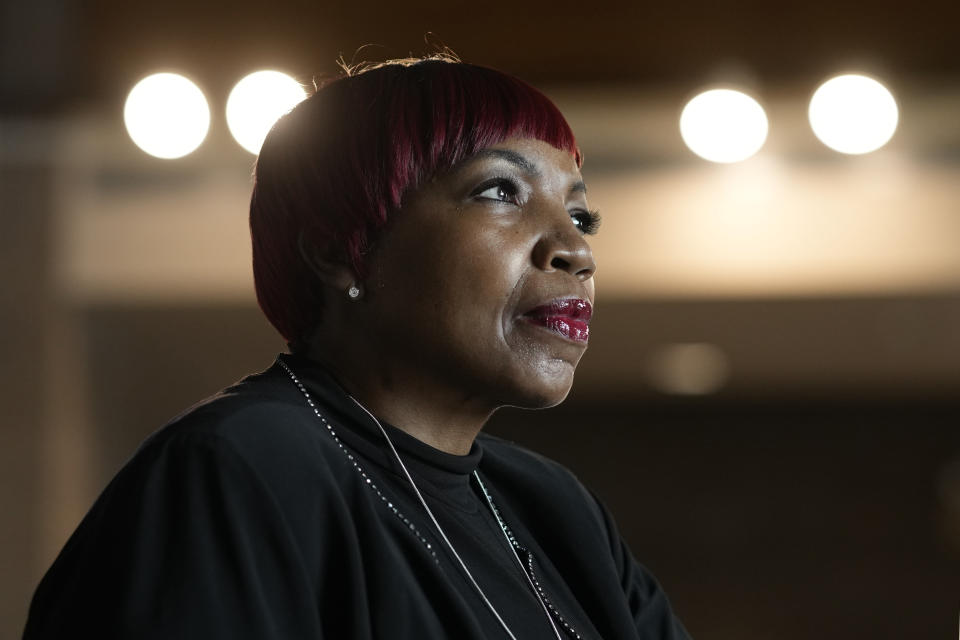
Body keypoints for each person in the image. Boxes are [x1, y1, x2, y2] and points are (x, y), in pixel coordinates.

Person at [24, 55, 691, 639]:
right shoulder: (240, 468)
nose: (575, 250)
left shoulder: (553, 509)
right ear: (340, 250)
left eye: (580, 215)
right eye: (499, 191)